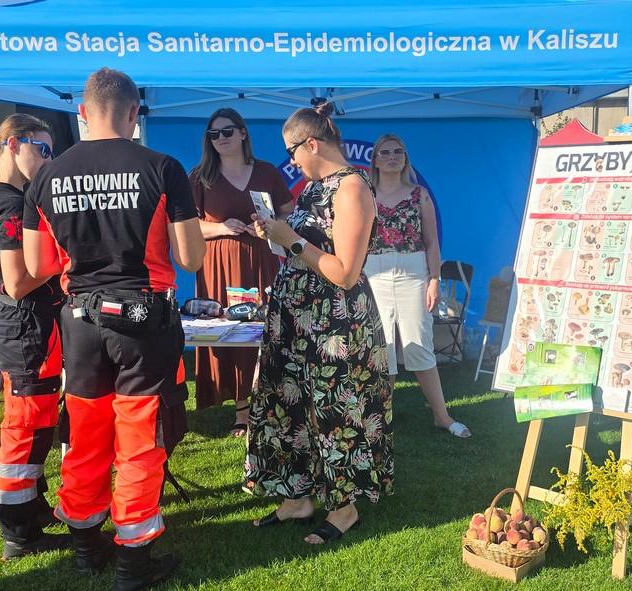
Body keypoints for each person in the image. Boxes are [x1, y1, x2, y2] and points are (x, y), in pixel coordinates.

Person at [22, 67, 204, 590]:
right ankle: (134, 561)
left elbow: (36, 265)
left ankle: (86, 545)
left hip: (79, 320)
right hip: (142, 320)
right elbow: (190, 257)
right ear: (134, 113)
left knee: (84, 432)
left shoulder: (46, 177)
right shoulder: (162, 167)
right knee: (140, 436)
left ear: (82, 112)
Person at [246, 102, 393, 545]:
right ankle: (297, 497)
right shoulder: (313, 188)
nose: (290, 162)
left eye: (291, 152)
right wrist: (275, 235)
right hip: (297, 317)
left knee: (334, 409)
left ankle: (344, 508)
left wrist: (290, 240)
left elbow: (344, 272)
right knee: (289, 407)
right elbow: (305, 249)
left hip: (335, 322)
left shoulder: (352, 188)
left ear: (311, 143)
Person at [0, 113, 69, 561]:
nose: (47, 159)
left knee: (36, 423)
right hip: (24, 323)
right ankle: (19, 533)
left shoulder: (0, 195)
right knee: (26, 428)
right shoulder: (7, 202)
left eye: (51, 151)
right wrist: (64, 259)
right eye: (41, 149)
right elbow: (17, 281)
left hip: (22, 324)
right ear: (12, 144)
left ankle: (33, 508)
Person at [190, 107, 294, 437]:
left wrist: (270, 225)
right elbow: (187, 226)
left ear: (243, 133)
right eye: (214, 134)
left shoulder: (266, 172)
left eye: (227, 132)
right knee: (228, 331)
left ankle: (273, 400)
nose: (220, 138)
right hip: (219, 265)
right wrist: (221, 227)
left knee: (264, 330)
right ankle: (242, 409)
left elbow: (289, 213)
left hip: (261, 259)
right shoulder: (201, 176)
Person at [365, 133, 469, 438]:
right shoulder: (364, 194)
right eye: (385, 152)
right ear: (375, 159)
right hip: (374, 274)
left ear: (405, 158)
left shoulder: (419, 195)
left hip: (414, 273)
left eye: (398, 152)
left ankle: (442, 416)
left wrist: (434, 279)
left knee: (421, 346)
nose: (392, 157)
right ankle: (380, 418)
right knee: (381, 348)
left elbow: (432, 241)